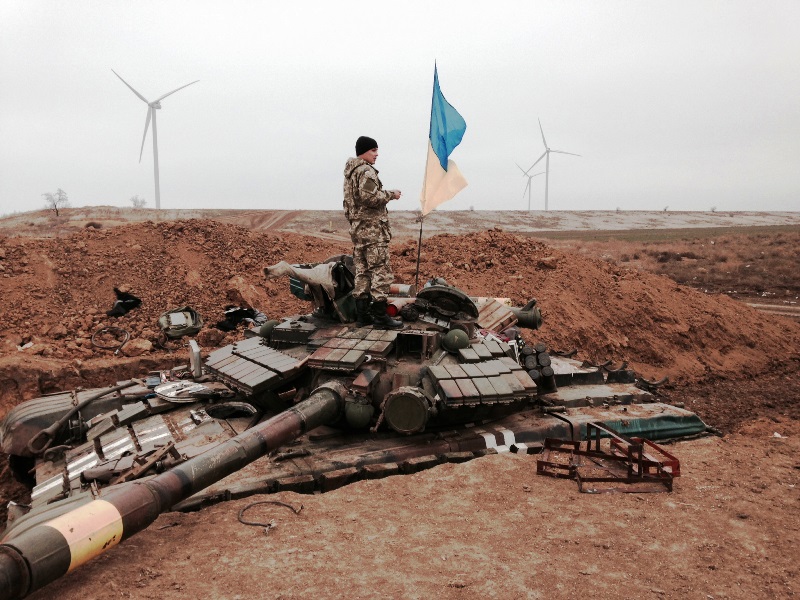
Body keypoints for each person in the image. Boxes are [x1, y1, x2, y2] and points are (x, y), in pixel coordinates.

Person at [343, 136, 403, 329]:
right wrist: (391, 194)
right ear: (364, 151)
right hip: (373, 232)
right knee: (380, 272)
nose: (377, 154)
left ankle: (363, 316)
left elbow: (350, 203)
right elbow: (369, 197)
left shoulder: (351, 173)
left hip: (359, 231)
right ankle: (380, 317)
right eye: (373, 150)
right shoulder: (365, 171)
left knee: (362, 272)